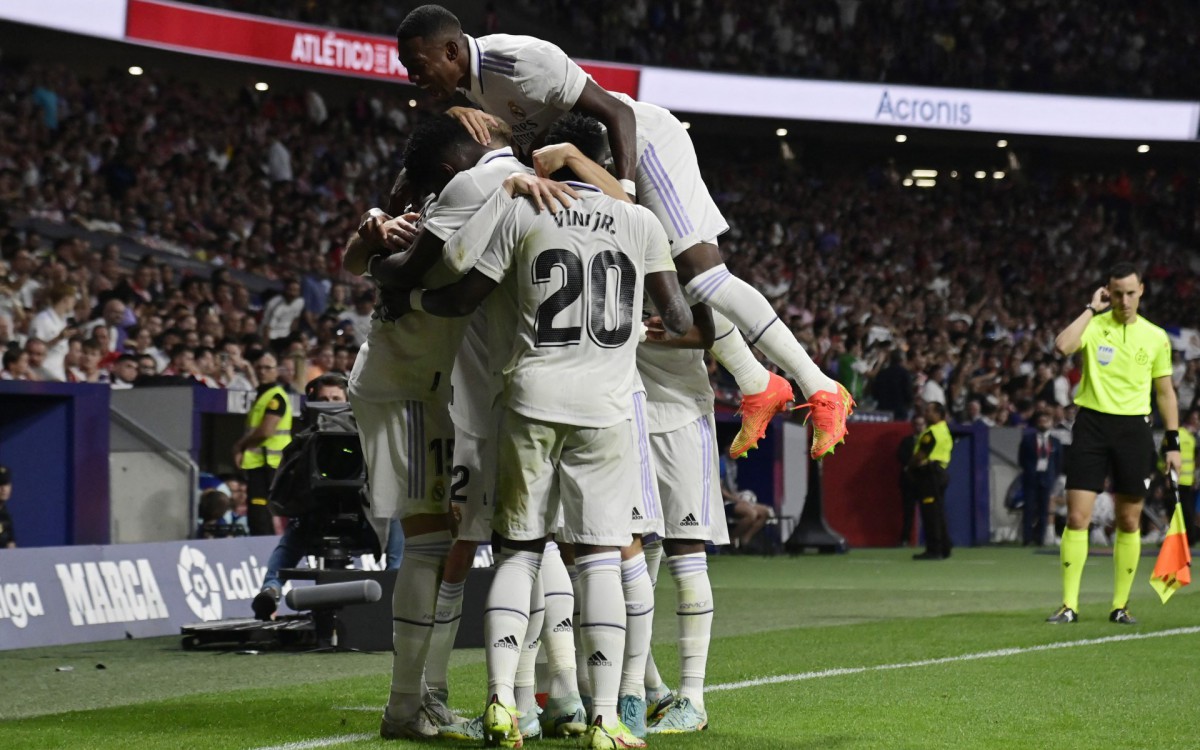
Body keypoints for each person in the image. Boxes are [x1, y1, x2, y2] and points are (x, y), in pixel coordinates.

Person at [394, 4, 853, 462]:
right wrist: (459, 111)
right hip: (597, 168)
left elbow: (617, 113)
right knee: (668, 286)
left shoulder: (519, 61)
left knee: (703, 274)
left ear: (451, 49)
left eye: (418, 66)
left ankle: (822, 387)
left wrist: (625, 196)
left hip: (646, 144)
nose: (414, 77)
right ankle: (757, 383)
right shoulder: (475, 90)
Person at [393, 156, 692, 749]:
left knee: (520, 553)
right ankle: (606, 717)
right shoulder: (639, 221)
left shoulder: (526, 204)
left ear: (550, 161)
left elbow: (460, 296)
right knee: (601, 557)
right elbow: (680, 316)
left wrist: (410, 302)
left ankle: (504, 703)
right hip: (606, 408)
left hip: (530, 396)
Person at [1047, 262, 1180, 625]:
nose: (1124, 300)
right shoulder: (1094, 325)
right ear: (1107, 291)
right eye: (1117, 293)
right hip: (1091, 425)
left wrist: (1173, 444)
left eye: (1130, 293)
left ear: (1142, 292)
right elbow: (1062, 346)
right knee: (1076, 517)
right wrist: (1091, 309)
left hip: (1134, 431)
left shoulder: (1155, 337)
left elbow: (1165, 393)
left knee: (1129, 519)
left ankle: (1120, 606)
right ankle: (1069, 605)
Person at [250, 374, 403, 620]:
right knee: (295, 527)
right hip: (316, 520)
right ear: (311, 401)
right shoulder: (304, 442)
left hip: (364, 523)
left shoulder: (370, 436)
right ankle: (271, 590)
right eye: (323, 399)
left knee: (396, 513)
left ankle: (396, 589)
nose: (330, 405)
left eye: (335, 399)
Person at [233, 352, 293, 535]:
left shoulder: (276, 398)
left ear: (277, 372)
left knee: (260, 514)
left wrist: (239, 445)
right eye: (259, 367)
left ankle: (264, 552)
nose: (262, 371)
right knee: (258, 511)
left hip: (269, 464)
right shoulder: (262, 395)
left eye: (267, 368)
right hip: (260, 463)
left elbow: (267, 430)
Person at [908, 401, 953, 560]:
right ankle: (945, 546)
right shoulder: (945, 430)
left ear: (938, 414)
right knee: (938, 511)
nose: (926, 414)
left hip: (930, 474)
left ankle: (934, 549)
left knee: (930, 513)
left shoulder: (931, 432)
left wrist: (910, 466)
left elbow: (921, 455)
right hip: (941, 471)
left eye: (929, 411)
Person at [1019, 410, 1064, 547]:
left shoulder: (1055, 442)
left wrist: (1052, 475)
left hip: (1047, 478)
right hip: (1031, 477)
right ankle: (1027, 538)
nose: (1043, 424)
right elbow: (1021, 459)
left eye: (1046, 421)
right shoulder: (1028, 439)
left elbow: (1058, 461)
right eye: (1040, 421)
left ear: (1050, 423)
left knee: (1044, 509)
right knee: (1029, 508)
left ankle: (1040, 538)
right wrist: (1029, 471)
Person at [897, 412, 927, 546]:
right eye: (917, 425)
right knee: (908, 512)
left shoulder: (929, 442)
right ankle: (905, 539)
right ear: (913, 426)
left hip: (925, 481)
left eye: (921, 424)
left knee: (928, 512)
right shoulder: (906, 441)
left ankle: (930, 540)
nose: (919, 427)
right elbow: (901, 457)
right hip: (909, 481)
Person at [0, 466, 15, 548]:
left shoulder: (6, 516)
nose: (4, 489)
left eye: (6, 484)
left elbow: (11, 545)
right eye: (0, 485)